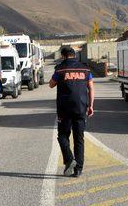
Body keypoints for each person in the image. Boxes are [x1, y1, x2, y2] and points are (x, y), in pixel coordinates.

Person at [49, 46, 95, 178]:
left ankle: (69, 159)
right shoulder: (85, 69)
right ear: (74, 55)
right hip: (81, 107)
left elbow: (51, 84)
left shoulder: (60, 69)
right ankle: (78, 169)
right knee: (79, 138)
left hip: (64, 108)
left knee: (63, 135)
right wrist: (91, 105)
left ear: (63, 56)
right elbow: (91, 87)